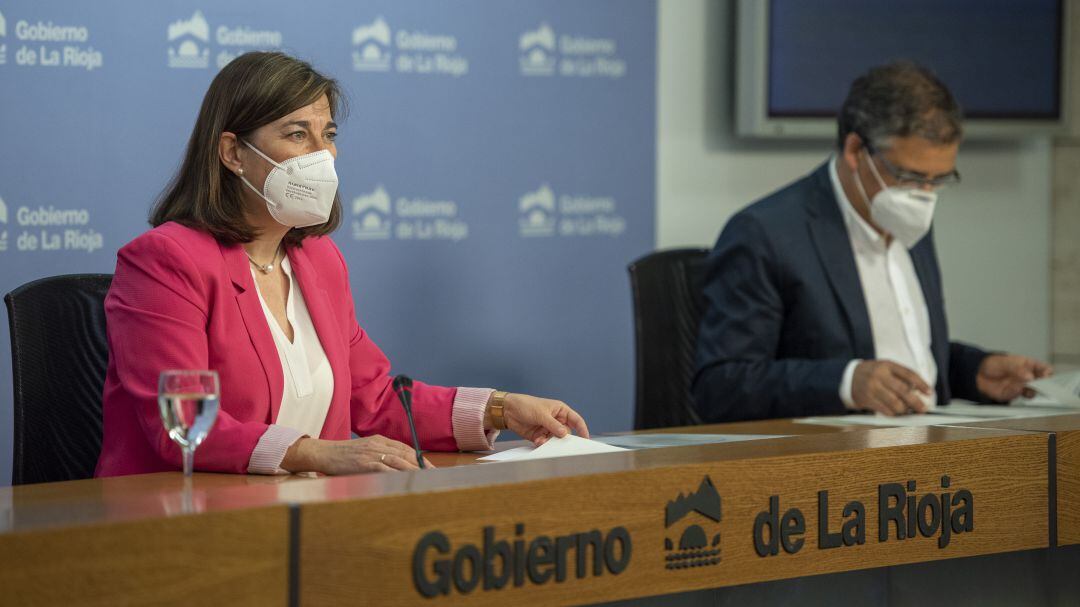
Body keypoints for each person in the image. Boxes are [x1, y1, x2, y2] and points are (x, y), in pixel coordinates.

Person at [95, 51, 589, 477]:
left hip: (311, 517)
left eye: (326, 134)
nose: (322, 155)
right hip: (176, 523)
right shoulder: (166, 261)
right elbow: (182, 426)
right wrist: (319, 454)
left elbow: (373, 398)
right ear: (232, 154)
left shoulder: (317, 260)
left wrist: (502, 408)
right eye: (296, 134)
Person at [692, 62, 1051, 423]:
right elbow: (721, 387)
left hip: (930, 450)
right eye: (910, 176)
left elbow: (904, 356)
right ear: (855, 151)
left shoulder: (908, 221)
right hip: (830, 463)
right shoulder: (765, 234)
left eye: (939, 179)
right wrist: (845, 383)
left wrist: (974, 371)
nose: (924, 195)